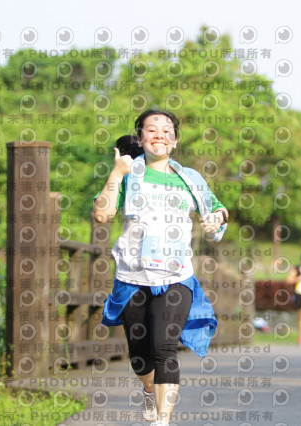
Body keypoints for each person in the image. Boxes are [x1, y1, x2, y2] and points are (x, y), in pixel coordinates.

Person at [93, 109, 228, 426]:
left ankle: (163, 421)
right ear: (140, 138)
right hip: (133, 278)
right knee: (141, 357)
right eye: (152, 130)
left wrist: (215, 218)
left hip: (176, 276)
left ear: (175, 141)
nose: (160, 135)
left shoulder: (190, 178)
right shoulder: (128, 173)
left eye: (168, 130)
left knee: (165, 347)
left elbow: (219, 209)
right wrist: (115, 173)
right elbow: (102, 215)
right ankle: (149, 391)